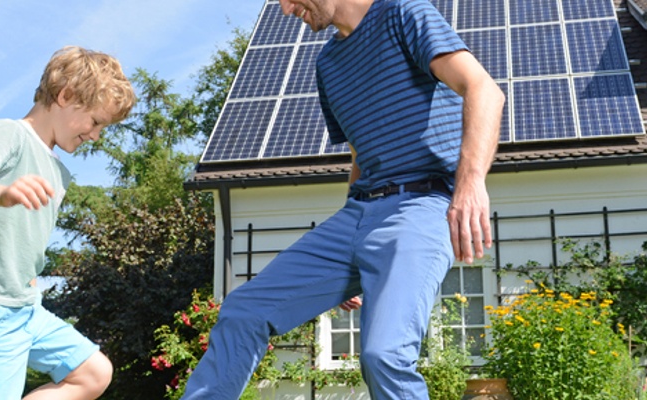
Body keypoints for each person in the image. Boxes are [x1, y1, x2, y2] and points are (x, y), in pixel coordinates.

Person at [181, 0, 501, 398]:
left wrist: (470, 183)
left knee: (384, 355)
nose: (285, 9)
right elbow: (360, 156)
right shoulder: (328, 64)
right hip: (359, 213)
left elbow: (484, 89)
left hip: (420, 205)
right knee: (243, 311)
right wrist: (353, 253)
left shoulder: (403, 12)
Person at [0, 45, 137, 400]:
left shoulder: (57, 171)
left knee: (93, 373)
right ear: (65, 96)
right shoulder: (10, 134)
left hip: (24, 308)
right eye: (95, 122)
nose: (95, 135)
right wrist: (0, 193)